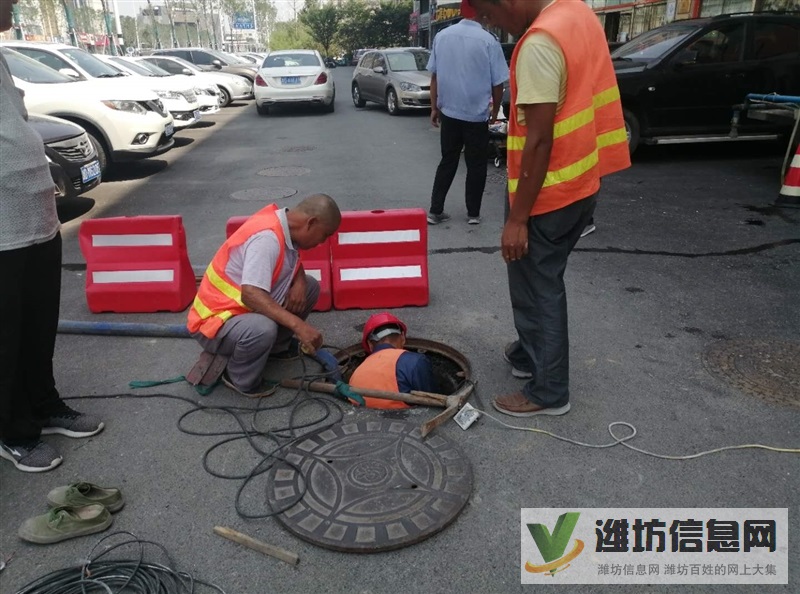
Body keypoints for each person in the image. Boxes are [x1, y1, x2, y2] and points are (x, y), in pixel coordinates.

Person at [467, 0, 630, 416]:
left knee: (539, 286)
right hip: (580, 181)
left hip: (547, 194)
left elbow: (539, 139)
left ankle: (549, 391)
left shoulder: (539, 43)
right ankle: (530, 351)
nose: (490, 24)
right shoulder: (576, 13)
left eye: (488, 14)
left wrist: (517, 218)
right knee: (531, 277)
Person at [0, 0, 103, 473]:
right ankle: (13, 432)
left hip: (35, 218)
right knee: (6, 336)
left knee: (39, 326)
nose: (14, 3)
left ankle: (43, 405)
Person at [187, 194, 341, 397]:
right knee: (262, 328)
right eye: (324, 235)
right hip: (214, 324)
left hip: (242, 313)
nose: (322, 242)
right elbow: (251, 294)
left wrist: (300, 281)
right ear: (311, 223)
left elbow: (289, 259)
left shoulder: (285, 228)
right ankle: (239, 378)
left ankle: (275, 349)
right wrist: (298, 325)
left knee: (309, 287)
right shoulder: (266, 239)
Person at [426, 0, 509, 226]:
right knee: (476, 165)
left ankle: (435, 210)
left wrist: (434, 107)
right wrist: (494, 113)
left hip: (449, 113)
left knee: (448, 160)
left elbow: (434, 77)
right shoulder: (489, 41)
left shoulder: (442, 36)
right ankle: (473, 213)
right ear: (481, 13)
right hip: (476, 116)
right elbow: (498, 84)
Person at [349, 313, 435, 409]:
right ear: (402, 337)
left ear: (370, 345)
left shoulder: (356, 373)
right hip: (405, 418)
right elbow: (431, 403)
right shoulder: (416, 361)